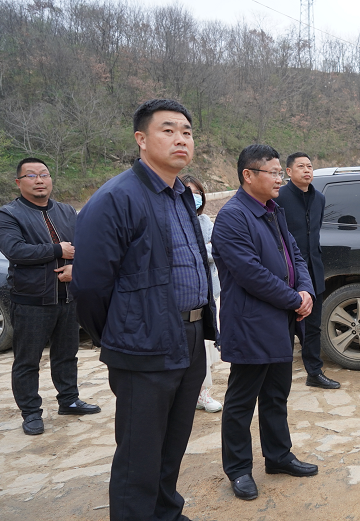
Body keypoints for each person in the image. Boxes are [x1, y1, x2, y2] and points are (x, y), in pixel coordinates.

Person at [71, 99, 218, 521]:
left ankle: (166, 512)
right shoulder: (117, 198)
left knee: (172, 445)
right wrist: (122, 333)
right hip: (143, 346)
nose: (180, 139)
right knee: (139, 456)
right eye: (168, 130)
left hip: (188, 338)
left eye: (187, 132)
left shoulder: (178, 196)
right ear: (141, 139)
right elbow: (89, 286)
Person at [213, 144, 318, 501]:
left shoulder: (274, 211)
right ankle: (239, 469)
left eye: (279, 172)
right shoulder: (232, 217)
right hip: (251, 324)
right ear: (248, 175)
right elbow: (250, 273)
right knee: (242, 400)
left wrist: (305, 290)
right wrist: (294, 299)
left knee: (276, 394)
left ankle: (278, 456)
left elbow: (295, 254)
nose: (279, 178)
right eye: (272, 172)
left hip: (280, 321)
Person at [0, 157, 101, 436]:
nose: (39, 180)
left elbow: (85, 246)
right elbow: (14, 250)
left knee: (67, 355)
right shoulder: (8, 214)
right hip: (31, 299)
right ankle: (30, 412)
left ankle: (69, 400)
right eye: (31, 176)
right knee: (27, 360)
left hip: (68, 297)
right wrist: (57, 250)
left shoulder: (66, 211)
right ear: (19, 183)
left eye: (44, 174)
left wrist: (76, 267)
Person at [275, 152, 340, 389]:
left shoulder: (319, 198)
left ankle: (314, 372)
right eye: (300, 166)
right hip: (285, 273)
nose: (307, 170)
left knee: (313, 326)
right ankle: (278, 375)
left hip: (314, 272)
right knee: (284, 326)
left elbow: (316, 232)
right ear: (289, 172)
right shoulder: (279, 197)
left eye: (310, 166)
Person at [182, 175, 223, 413]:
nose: (194, 197)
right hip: (184, 297)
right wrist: (201, 249)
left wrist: (198, 250)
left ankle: (202, 394)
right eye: (189, 192)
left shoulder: (205, 221)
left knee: (205, 349)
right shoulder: (173, 220)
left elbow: (216, 248)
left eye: (198, 193)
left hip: (209, 294)